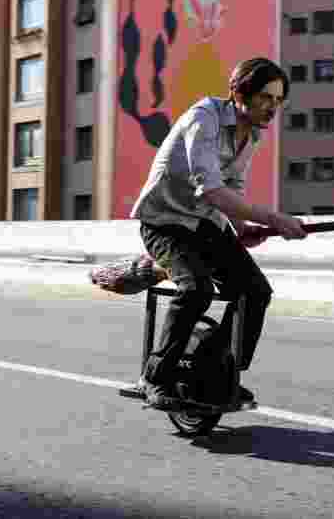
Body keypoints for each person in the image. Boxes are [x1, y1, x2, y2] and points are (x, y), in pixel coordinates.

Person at [130, 57, 306, 411]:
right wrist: (274, 217)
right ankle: (154, 376)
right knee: (196, 289)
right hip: (165, 223)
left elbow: (232, 185)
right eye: (265, 98)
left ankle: (218, 370)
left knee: (255, 292)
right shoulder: (204, 117)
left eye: (278, 100)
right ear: (240, 92)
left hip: (206, 224)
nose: (272, 107)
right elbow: (210, 188)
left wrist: (244, 228)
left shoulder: (252, 134)